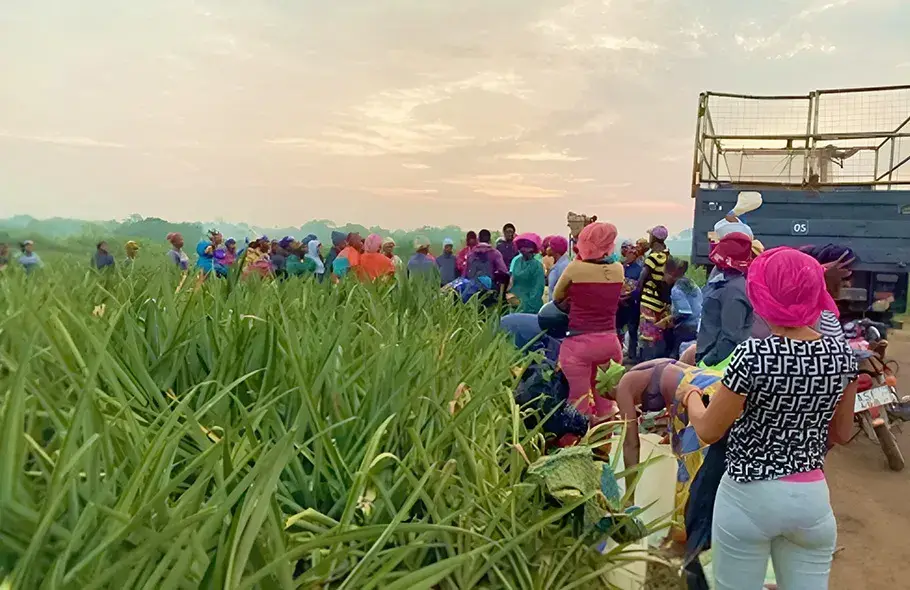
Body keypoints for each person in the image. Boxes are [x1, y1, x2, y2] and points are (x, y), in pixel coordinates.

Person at [678, 247, 857, 590]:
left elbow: (710, 431)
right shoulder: (841, 355)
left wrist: (690, 399)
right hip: (811, 501)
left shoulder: (754, 354)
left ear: (761, 294)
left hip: (748, 495)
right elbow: (843, 432)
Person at [552, 222, 624, 420]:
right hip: (610, 342)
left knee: (578, 401)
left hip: (579, 343)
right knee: (606, 403)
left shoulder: (574, 268)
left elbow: (557, 296)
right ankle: (604, 446)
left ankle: (580, 445)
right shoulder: (618, 269)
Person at [695, 231, 754, 370]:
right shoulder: (726, 282)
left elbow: (731, 337)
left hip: (719, 365)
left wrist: (706, 363)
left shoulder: (733, 290)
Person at [637, 226, 671, 360]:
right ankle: (658, 359)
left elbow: (642, 278)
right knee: (657, 332)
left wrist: (636, 294)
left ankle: (647, 361)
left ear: (654, 240)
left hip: (649, 300)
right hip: (660, 300)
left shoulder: (652, 258)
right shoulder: (667, 255)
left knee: (647, 333)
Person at [665, 257, 702, 359]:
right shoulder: (692, 284)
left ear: (671, 274)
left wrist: (672, 321)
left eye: (664, 274)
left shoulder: (676, 289)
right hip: (698, 325)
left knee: (675, 355)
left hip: (686, 327)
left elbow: (684, 312)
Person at [617, 239, 644, 362]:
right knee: (617, 328)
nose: (628, 254)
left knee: (632, 329)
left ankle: (632, 355)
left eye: (631, 252)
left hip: (632, 304)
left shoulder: (639, 269)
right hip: (620, 304)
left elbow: (639, 287)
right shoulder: (620, 266)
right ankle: (618, 352)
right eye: (626, 251)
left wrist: (629, 296)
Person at [509, 233, 546, 313]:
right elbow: (513, 281)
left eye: (526, 247)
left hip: (531, 307)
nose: (522, 249)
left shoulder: (537, 266)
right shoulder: (517, 262)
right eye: (521, 247)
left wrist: (525, 305)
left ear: (532, 249)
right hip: (514, 305)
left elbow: (538, 289)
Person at [546, 236, 570, 302]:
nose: (547, 249)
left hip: (559, 306)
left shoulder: (563, 266)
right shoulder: (558, 264)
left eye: (549, 246)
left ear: (555, 249)